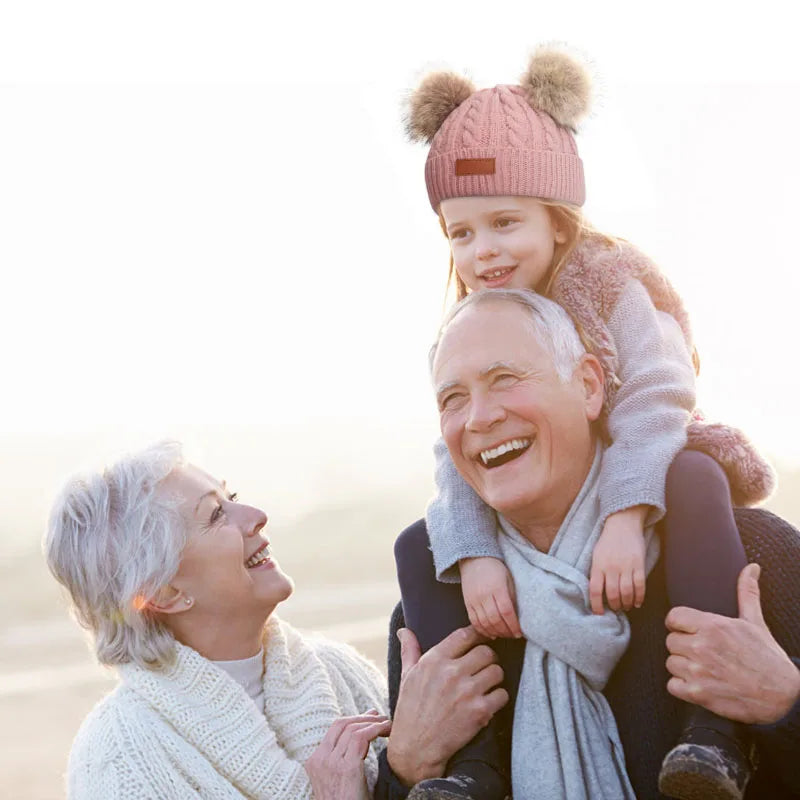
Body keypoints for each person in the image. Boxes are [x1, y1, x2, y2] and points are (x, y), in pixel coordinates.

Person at [397, 44, 776, 800]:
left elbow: (660, 393)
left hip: (651, 455)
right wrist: (473, 553)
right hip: (553, 510)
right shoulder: (472, 323)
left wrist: (627, 515)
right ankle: (470, 763)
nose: (483, 251)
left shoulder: (613, 278)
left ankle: (712, 729)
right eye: (461, 234)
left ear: (559, 216)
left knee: (694, 477)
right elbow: (458, 455)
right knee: (422, 542)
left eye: (504, 222)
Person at [383, 290, 800, 800]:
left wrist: (787, 704)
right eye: (453, 399)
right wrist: (403, 767)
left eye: (505, 380)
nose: (478, 418)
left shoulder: (755, 554)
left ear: (588, 385)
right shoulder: (437, 610)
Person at [45, 441, 508, 800]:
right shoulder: (118, 758)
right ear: (164, 593)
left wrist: (406, 771)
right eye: (215, 515)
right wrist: (407, 764)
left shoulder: (337, 670)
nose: (256, 517)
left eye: (235, 497)